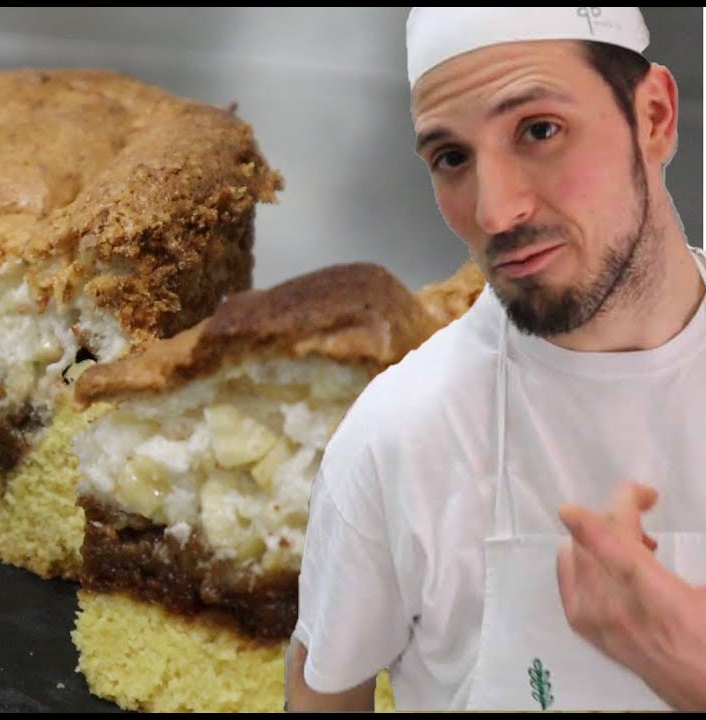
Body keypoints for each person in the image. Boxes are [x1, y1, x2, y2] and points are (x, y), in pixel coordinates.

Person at [285, 7, 706, 711]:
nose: (495, 211)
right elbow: (323, 693)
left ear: (655, 117)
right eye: (453, 158)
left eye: (539, 131)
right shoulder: (398, 439)